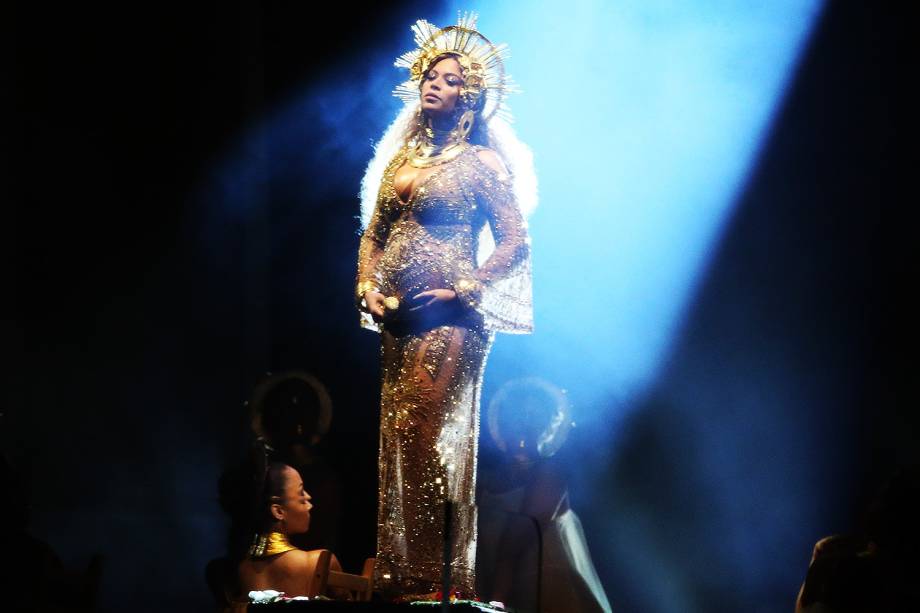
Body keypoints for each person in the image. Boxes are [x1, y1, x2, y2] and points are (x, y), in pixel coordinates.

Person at [355, 12, 536, 600]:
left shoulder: (481, 164)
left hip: (454, 317)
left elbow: (515, 240)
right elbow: (374, 236)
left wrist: (465, 290)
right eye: (430, 74)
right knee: (399, 436)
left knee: (431, 437)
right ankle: (402, 573)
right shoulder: (400, 164)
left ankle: (437, 580)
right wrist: (367, 288)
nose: (435, 82)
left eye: (451, 78)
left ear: (471, 98)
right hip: (401, 319)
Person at [236, 461, 345, 599]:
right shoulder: (319, 562)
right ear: (278, 511)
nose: (308, 497)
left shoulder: (243, 570)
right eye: (301, 493)